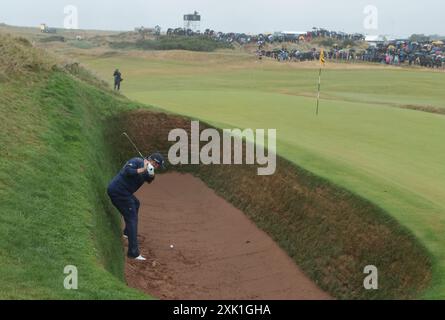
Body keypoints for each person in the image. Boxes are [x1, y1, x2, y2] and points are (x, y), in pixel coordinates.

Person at [107, 153, 166, 261]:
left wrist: (151, 173)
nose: (157, 168)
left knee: (136, 203)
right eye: (157, 165)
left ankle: (126, 233)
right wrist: (144, 168)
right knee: (132, 219)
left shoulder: (149, 167)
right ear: (153, 161)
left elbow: (149, 180)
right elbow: (127, 171)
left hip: (125, 193)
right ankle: (133, 253)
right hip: (118, 191)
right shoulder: (136, 161)